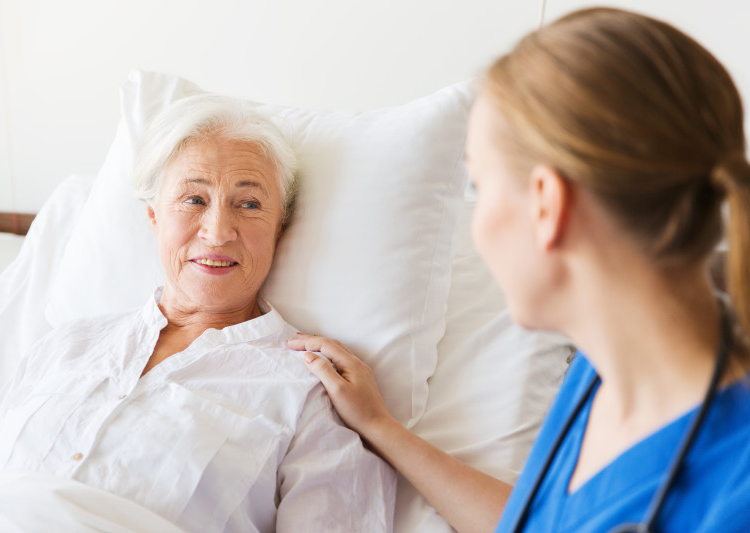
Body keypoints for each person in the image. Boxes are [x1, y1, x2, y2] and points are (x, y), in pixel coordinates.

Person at [288, 7, 750, 533]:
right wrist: (381, 427)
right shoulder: (601, 374)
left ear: (546, 205)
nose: (477, 225)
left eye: (479, 189)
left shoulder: (734, 494)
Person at [0, 94, 395, 531]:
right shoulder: (66, 345)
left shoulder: (309, 390)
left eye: (250, 204)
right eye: (194, 199)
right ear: (153, 217)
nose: (218, 232)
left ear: (281, 229)